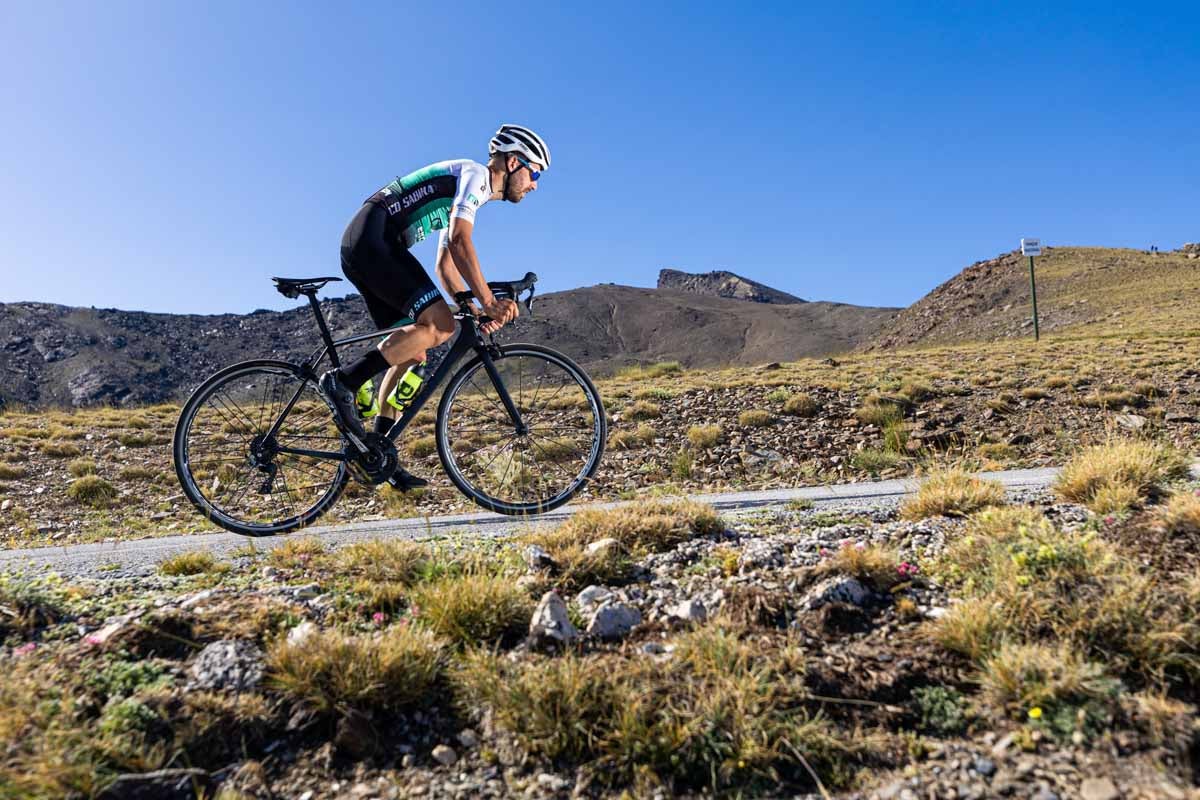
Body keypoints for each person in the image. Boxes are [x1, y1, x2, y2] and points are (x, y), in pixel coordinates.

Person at [318, 124, 550, 490]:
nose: (535, 184)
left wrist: (471, 308)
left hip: (370, 243)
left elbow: (446, 265)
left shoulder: (464, 191)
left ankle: (379, 454)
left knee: (415, 352)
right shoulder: (476, 176)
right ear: (513, 161)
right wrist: (489, 302)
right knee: (439, 325)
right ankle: (343, 381)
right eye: (535, 173)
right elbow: (460, 241)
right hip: (374, 241)